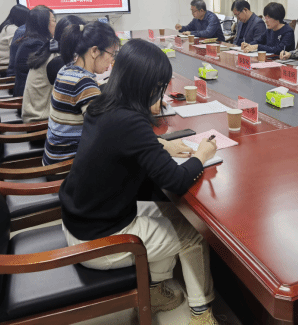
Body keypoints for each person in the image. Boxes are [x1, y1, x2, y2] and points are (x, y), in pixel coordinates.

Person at [59, 39, 220, 324]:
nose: (160, 93)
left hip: (81, 220)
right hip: (100, 240)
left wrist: (159, 145)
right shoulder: (132, 122)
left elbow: (120, 143)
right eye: (158, 87)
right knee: (194, 234)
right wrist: (202, 155)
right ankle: (201, 314)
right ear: (146, 85)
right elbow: (176, 180)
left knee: (169, 213)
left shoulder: (102, 103)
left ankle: (155, 292)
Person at [42, 21, 119, 166]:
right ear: (94, 51)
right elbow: (106, 132)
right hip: (67, 166)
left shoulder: (66, 69)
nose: (112, 60)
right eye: (111, 54)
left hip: (53, 157)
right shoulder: (84, 84)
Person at [21, 15, 87, 123]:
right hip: (40, 122)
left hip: (37, 115)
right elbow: (79, 92)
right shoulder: (57, 61)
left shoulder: (50, 49)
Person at [13, 5, 56, 96]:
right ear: (44, 24)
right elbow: (50, 72)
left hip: (32, 92)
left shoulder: (31, 39)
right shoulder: (35, 45)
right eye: (54, 20)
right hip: (29, 97)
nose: (56, 24)